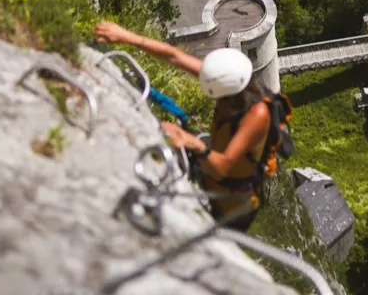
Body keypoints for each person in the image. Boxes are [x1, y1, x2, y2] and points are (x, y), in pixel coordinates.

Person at [94, 20, 270, 231]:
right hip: (211, 168)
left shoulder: (257, 115)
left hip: (229, 207)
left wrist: (193, 143)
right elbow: (173, 56)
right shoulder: (230, 79)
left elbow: (223, 168)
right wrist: (125, 36)